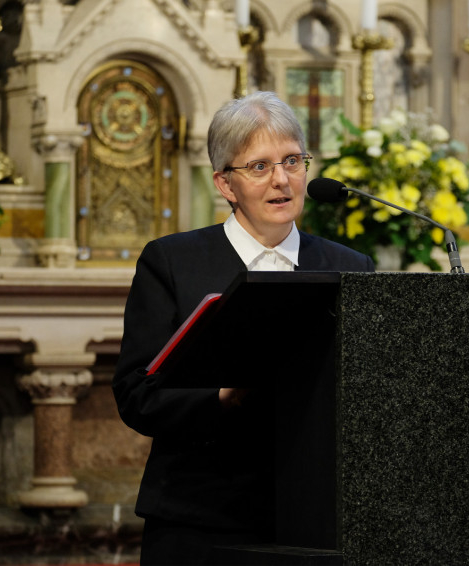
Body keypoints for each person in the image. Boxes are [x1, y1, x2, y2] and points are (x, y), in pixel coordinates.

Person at [113, 91, 375, 565]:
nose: (282, 180)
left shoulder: (350, 267)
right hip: (199, 518)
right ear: (225, 184)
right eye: (259, 166)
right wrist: (222, 397)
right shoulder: (172, 262)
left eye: (292, 161)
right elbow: (136, 395)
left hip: (317, 517)